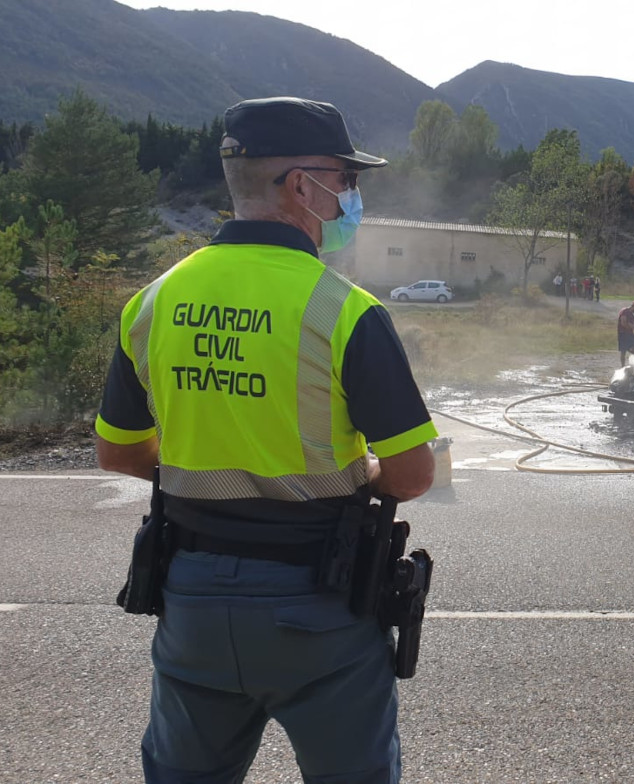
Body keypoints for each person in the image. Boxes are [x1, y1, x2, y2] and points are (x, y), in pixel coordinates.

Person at [94, 96, 437, 783]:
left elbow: (121, 452)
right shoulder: (347, 312)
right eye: (346, 180)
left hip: (191, 602)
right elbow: (412, 474)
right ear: (301, 185)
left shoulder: (154, 301)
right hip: (320, 605)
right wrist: (361, 471)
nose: (351, 196)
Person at [618, 300, 634, 366]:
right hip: (623, 333)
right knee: (623, 351)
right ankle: (623, 366)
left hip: (630, 333)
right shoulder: (625, 311)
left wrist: (629, 325)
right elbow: (623, 323)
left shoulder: (632, 316)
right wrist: (630, 325)